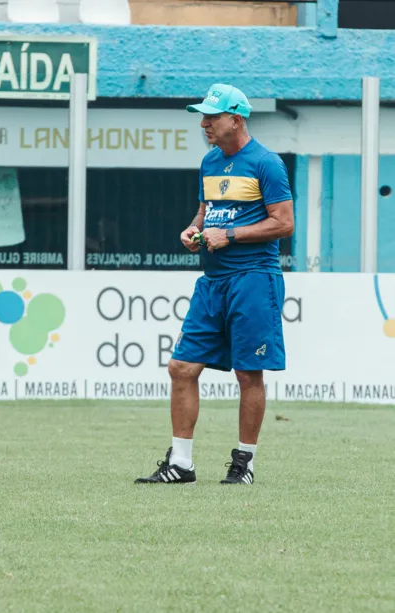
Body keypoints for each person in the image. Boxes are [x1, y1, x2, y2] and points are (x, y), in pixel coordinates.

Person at [135, 84, 294, 486]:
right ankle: (182, 464)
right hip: (213, 282)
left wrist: (232, 235)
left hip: (254, 280)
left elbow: (284, 223)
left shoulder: (267, 163)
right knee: (181, 367)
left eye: (212, 116)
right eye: (202, 116)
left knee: (247, 373)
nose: (204, 123)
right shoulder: (209, 162)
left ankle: (244, 463)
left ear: (236, 120)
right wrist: (194, 229)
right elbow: (208, 211)